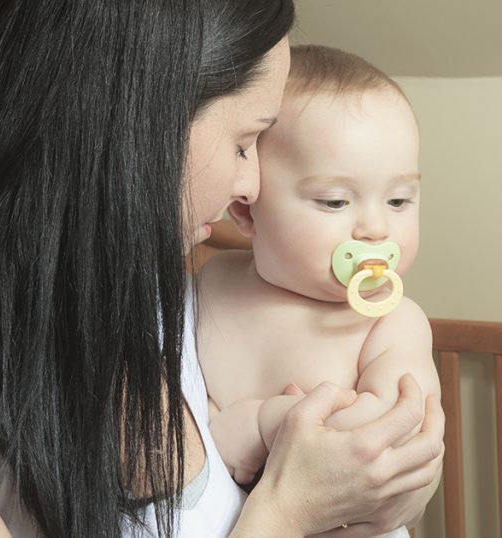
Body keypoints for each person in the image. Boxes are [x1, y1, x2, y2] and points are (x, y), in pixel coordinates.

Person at [0, 2, 444, 537]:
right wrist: (288, 510)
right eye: (245, 143)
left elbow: (389, 461)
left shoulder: (158, 301)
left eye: (400, 199)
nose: (251, 186)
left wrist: (394, 487)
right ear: (134, 125)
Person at [197, 45, 441, 535]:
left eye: (398, 200)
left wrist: (264, 423)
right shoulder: (214, 283)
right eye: (334, 202)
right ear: (246, 209)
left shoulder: (390, 324)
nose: (375, 228)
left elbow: (392, 432)